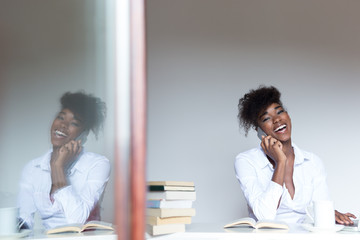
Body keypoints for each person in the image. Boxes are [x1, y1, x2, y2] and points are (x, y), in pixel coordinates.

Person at [235, 85, 355, 224]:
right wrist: (280, 161)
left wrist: (328, 214)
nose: (277, 120)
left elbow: (320, 210)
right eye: (266, 119)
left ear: (288, 115)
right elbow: (265, 215)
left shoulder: (312, 162)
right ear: (259, 131)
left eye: (279, 112)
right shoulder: (246, 161)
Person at [17, 91, 110, 229]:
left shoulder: (97, 164)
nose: (63, 125)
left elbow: (77, 220)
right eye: (61, 117)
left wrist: (58, 167)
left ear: (83, 135)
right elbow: (24, 221)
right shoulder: (33, 168)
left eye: (74, 123)